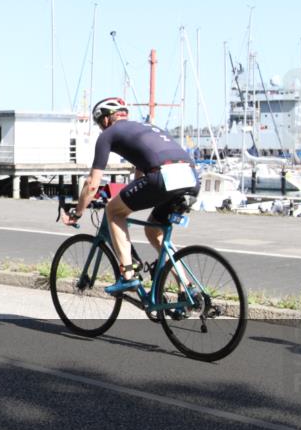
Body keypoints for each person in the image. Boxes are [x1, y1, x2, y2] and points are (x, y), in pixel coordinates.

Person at [61, 97, 199, 293]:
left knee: (114, 212)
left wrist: (77, 212)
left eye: (100, 123)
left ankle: (128, 275)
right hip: (192, 177)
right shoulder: (148, 127)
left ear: (106, 119)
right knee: (154, 233)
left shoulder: (109, 134)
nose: (101, 128)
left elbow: (92, 184)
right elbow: (140, 173)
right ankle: (187, 288)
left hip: (162, 177)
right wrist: (125, 196)